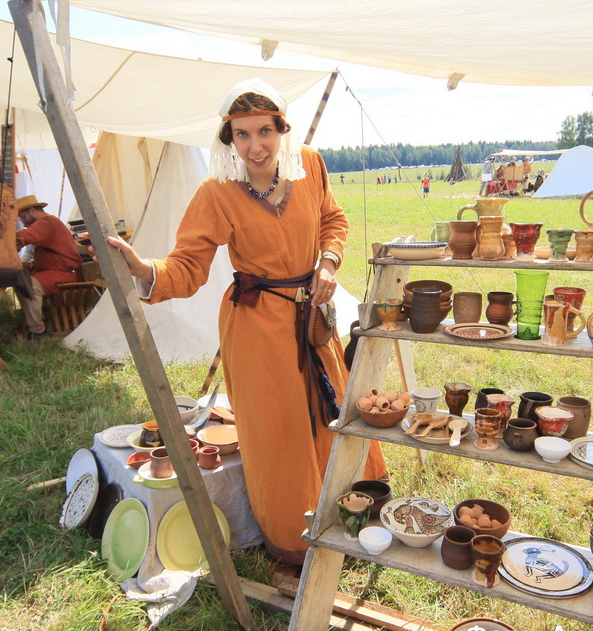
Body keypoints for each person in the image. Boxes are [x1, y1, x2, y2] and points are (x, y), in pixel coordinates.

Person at [97, 79, 387, 565]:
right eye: (242, 134)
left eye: (265, 131)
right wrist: (145, 269)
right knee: (277, 431)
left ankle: (356, 515)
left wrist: (329, 262)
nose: (255, 146)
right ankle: (295, 542)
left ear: (282, 129)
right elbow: (188, 266)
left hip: (312, 318)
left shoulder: (309, 165)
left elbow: (332, 220)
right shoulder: (217, 192)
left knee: (331, 415)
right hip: (256, 326)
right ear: (228, 138)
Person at [15, 194, 82, 340]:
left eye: (23, 217)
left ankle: (37, 331)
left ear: (32, 210)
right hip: (55, 271)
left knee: (30, 287)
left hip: (63, 273)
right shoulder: (48, 223)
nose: (22, 221)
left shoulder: (46, 223)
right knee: (20, 279)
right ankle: (39, 316)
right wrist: (32, 264)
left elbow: (24, 236)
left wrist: (4, 237)